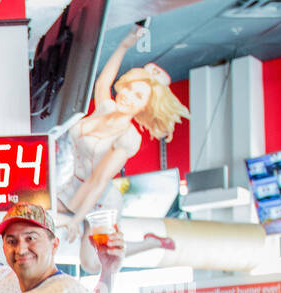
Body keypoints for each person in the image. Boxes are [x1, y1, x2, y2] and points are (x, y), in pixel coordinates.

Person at [54, 25, 188, 272]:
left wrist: (77, 216)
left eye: (138, 96)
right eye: (129, 88)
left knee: (93, 263)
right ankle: (143, 241)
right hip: (72, 185)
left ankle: (149, 244)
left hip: (100, 200)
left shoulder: (129, 138)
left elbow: (98, 180)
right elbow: (103, 81)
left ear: (144, 107)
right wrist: (124, 45)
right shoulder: (106, 108)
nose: (128, 96)